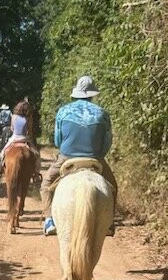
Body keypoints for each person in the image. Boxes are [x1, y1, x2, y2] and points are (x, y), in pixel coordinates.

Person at [40, 75, 117, 236]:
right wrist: (98, 155)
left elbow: (58, 140)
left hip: (67, 157)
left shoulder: (63, 111)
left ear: (76, 93)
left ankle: (49, 220)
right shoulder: (103, 114)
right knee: (113, 187)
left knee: (46, 185)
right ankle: (109, 223)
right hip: (95, 158)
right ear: (92, 94)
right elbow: (107, 143)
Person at [0, 100, 41, 183]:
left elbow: (12, 129)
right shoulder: (29, 118)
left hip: (14, 138)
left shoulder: (14, 116)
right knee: (37, 154)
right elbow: (29, 131)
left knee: (3, 152)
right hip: (25, 138)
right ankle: (36, 174)